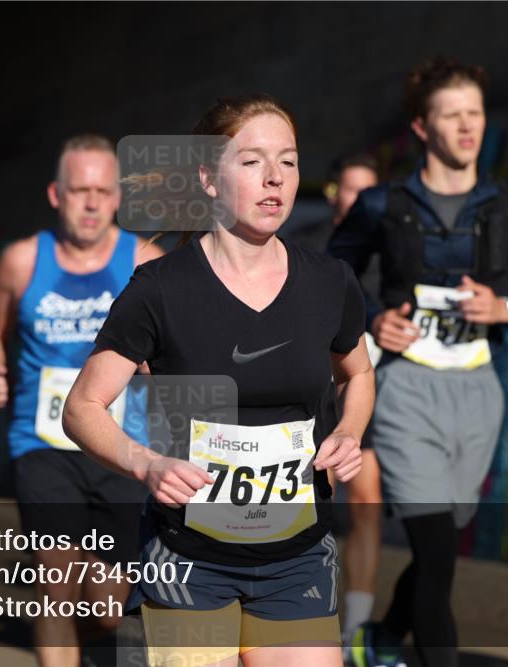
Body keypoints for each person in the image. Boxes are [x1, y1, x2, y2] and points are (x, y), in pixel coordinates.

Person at [63, 95, 375, 667]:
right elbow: (82, 406)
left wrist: (349, 434)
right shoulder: (159, 288)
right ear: (208, 177)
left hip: (298, 558)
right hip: (189, 559)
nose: (275, 177)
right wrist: (146, 464)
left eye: (289, 160)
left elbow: (358, 373)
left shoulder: (331, 283)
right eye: (252, 161)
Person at [328, 56, 508, 667]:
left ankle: (379, 637)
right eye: (451, 116)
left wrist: (502, 305)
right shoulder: (382, 205)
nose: (467, 127)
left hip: (478, 394)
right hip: (406, 392)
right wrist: (374, 315)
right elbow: (334, 273)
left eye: (474, 114)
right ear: (423, 129)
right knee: (434, 548)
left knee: (439, 554)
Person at [0, 134, 162, 667]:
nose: (91, 202)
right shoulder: (20, 261)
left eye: (103, 191)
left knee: (108, 606)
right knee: (55, 585)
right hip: (43, 442)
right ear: (56, 195)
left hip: (123, 448)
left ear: (117, 198)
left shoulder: (146, 260)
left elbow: (174, 345)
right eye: (79, 190)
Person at [315, 155, 386, 651]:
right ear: (333, 194)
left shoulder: (388, 256)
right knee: (321, 503)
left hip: (372, 389)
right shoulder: (310, 256)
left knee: (367, 504)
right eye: (351, 190)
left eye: (369, 191)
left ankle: (355, 628)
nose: (359, 200)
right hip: (318, 395)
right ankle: (307, 610)